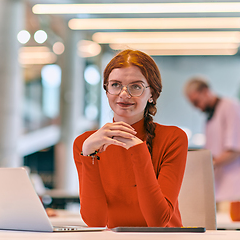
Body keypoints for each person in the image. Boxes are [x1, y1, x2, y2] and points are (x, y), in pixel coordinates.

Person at [73, 50, 188, 228]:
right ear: (106, 89)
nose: (124, 94)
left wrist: (138, 150)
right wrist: (88, 155)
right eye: (116, 85)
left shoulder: (173, 138)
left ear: (152, 94)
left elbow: (158, 221)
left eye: (136, 86)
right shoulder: (86, 143)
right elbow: (95, 221)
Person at [184, 76, 240, 211]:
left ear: (206, 91)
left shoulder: (231, 107)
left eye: (197, 102)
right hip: (221, 189)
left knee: (230, 232)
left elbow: (236, 149)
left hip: (236, 190)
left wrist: (209, 165)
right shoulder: (210, 116)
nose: (197, 107)